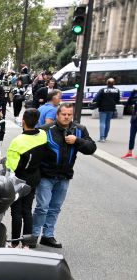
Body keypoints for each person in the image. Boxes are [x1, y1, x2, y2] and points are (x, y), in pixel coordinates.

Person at [33, 104, 96, 248]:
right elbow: (35, 152)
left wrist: (77, 141)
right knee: (42, 206)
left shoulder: (79, 130)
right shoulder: (45, 130)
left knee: (55, 207)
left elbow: (92, 148)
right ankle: (34, 234)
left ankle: (48, 235)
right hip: (46, 176)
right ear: (57, 115)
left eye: (69, 114)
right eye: (64, 114)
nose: (67, 117)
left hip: (64, 177)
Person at [5, 108, 47, 245]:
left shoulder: (18, 141)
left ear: (23, 121)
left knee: (16, 212)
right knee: (27, 210)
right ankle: (27, 244)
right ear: (37, 121)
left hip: (19, 180)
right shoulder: (42, 135)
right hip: (34, 178)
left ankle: (15, 243)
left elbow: (11, 166)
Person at [93, 78, 121, 142]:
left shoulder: (103, 90)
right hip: (111, 108)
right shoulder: (117, 90)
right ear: (114, 83)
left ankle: (102, 138)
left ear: (107, 83)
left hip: (103, 108)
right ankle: (105, 137)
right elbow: (118, 100)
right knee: (108, 123)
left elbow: (96, 98)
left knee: (102, 122)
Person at [123, 93, 137, 159]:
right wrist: (132, 95)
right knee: (131, 137)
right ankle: (129, 152)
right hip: (134, 119)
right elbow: (129, 103)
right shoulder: (135, 94)